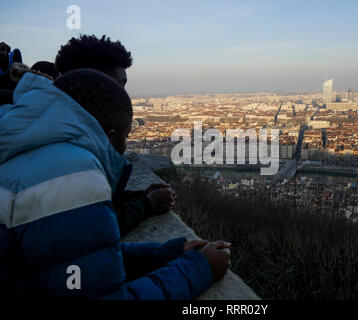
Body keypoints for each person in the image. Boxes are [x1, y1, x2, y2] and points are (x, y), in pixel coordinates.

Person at [0, 69, 231, 299]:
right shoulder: (72, 177)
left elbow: (79, 259)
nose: (125, 149)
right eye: (126, 137)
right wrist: (200, 268)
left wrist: (168, 252)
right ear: (110, 136)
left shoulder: (26, 150)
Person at [55, 35, 174, 236]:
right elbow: (88, 228)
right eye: (119, 85)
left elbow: (87, 202)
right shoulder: (65, 150)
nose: (122, 95)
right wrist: (147, 204)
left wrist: (138, 197)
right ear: (91, 83)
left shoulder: (52, 127)